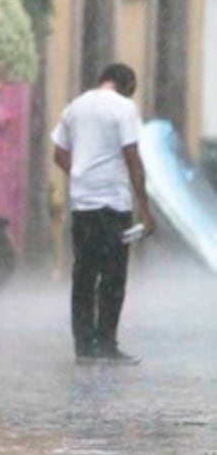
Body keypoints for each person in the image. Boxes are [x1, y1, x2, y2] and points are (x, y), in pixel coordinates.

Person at [51, 63, 155, 365]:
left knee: (83, 274)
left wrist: (81, 174)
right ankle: (107, 343)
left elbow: (58, 152)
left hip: (82, 205)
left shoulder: (75, 107)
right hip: (113, 204)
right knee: (112, 275)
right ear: (127, 85)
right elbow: (132, 158)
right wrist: (146, 210)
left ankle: (84, 346)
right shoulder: (124, 109)